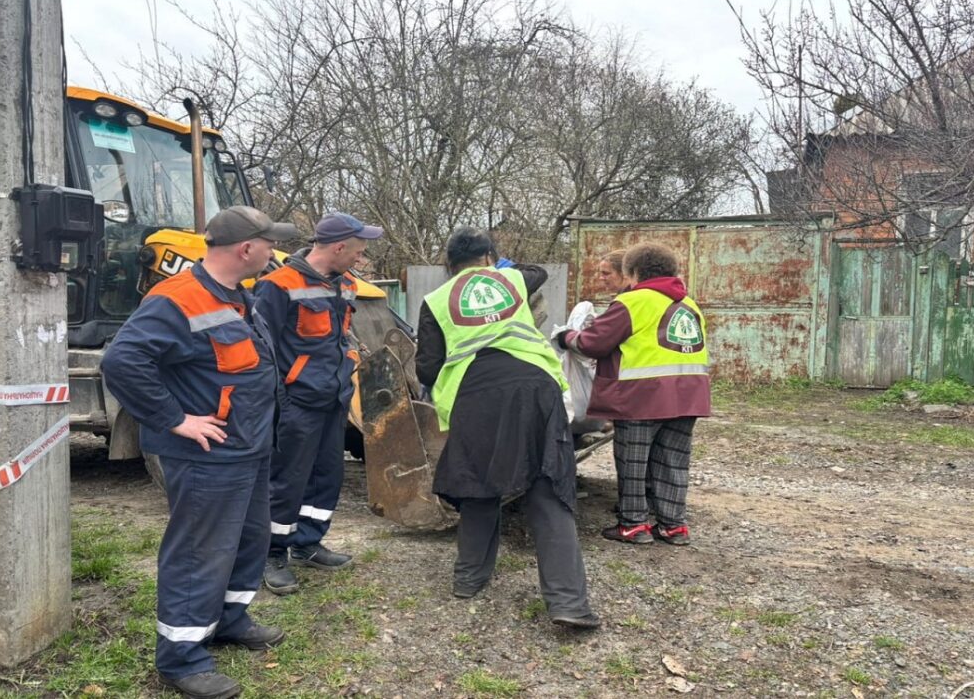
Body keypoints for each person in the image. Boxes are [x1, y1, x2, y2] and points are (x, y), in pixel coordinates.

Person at [100, 206, 297, 699]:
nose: (274, 251)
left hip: (248, 448)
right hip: (208, 455)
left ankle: (229, 619)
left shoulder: (238, 297)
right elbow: (122, 361)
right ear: (246, 249)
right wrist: (175, 419)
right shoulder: (176, 298)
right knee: (199, 552)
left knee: (248, 540)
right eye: (269, 243)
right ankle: (181, 657)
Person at [415, 227, 600, 630]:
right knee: (547, 487)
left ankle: (468, 580)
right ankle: (568, 603)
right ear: (488, 257)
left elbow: (427, 368)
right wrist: (499, 267)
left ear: (448, 266)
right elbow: (536, 272)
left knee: (479, 484)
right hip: (535, 389)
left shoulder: (435, 301)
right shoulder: (514, 278)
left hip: (476, 395)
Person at [255, 212, 383, 594]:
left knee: (326, 475)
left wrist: (347, 365)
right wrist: (280, 398)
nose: (361, 259)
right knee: (287, 480)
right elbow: (264, 349)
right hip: (296, 401)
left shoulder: (345, 284)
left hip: (333, 397)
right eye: (358, 251)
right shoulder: (278, 286)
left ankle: (308, 542)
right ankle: (272, 553)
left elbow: (339, 334)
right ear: (339, 247)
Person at [557, 242, 710, 546]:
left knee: (634, 462)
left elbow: (593, 343)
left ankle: (634, 524)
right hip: (689, 396)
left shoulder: (633, 302)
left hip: (642, 397)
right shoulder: (689, 305)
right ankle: (673, 526)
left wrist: (566, 336)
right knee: (673, 462)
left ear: (634, 272)